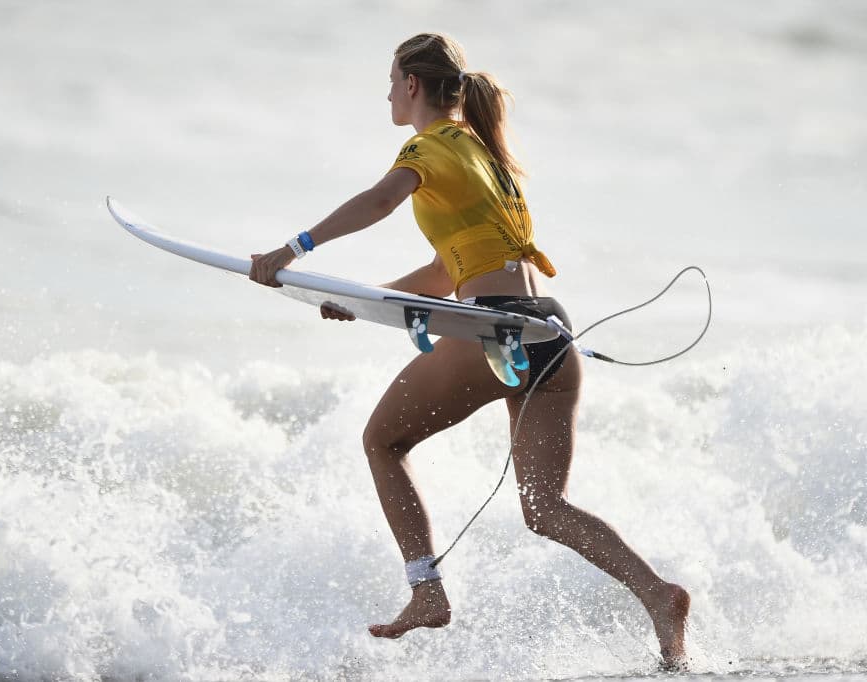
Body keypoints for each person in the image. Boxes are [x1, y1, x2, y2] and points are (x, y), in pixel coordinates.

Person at [249, 33, 690, 669]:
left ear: (412, 85)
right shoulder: (481, 156)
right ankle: (657, 595)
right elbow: (442, 273)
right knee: (545, 508)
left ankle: (426, 590)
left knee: (382, 442)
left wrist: (293, 250)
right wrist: (361, 298)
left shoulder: (426, 148)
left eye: (391, 79)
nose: (387, 93)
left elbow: (379, 200)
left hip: (496, 330)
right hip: (550, 333)